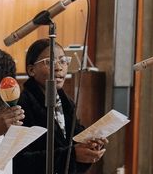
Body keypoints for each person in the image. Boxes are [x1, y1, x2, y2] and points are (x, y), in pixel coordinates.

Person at [13, 39, 108, 173]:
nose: (59, 67)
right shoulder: (22, 106)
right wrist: (72, 155)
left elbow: (75, 142)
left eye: (63, 61)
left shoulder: (66, 102)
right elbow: (18, 162)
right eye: (49, 62)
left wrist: (90, 145)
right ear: (31, 70)